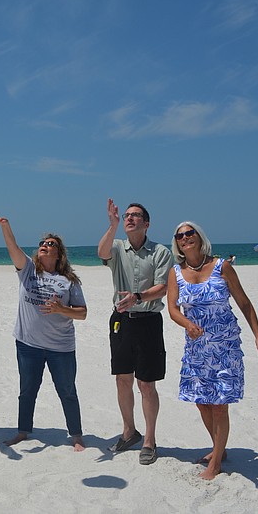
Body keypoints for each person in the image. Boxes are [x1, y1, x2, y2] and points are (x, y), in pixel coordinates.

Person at [167, 221, 258, 480]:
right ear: (176, 242)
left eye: (190, 233)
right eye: (180, 235)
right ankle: (218, 449)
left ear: (200, 237)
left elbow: (244, 302)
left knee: (220, 405)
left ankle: (216, 462)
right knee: (202, 403)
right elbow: (173, 308)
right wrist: (187, 324)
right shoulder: (175, 272)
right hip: (196, 349)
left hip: (225, 347)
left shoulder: (223, 267)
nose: (186, 238)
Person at [0, 217, 87, 450]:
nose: (45, 245)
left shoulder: (68, 281)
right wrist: (6, 226)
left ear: (59, 253)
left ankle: (76, 436)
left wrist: (61, 309)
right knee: (27, 390)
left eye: (51, 243)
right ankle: (23, 431)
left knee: (67, 391)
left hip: (61, 348)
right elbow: (13, 247)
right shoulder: (28, 270)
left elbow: (82, 313)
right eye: (42, 242)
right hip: (28, 345)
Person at [98, 199, 172, 465]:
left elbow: (163, 287)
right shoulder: (118, 247)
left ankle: (150, 439)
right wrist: (112, 225)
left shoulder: (161, 252)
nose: (130, 218)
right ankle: (129, 431)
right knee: (122, 379)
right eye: (127, 215)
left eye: (135, 215)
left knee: (146, 384)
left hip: (149, 321)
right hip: (121, 321)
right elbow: (102, 253)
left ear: (147, 223)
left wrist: (138, 296)